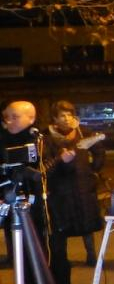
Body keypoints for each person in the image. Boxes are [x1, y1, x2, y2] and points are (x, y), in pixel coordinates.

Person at [43, 100, 105, 283]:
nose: (67, 119)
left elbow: (99, 153)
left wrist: (94, 168)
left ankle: (92, 255)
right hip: (59, 194)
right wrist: (60, 160)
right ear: (54, 118)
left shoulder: (82, 133)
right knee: (58, 239)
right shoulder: (47, 138)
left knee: (86, 225)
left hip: (82, 188)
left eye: (70, 114)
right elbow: (45, 168)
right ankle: (60, 275)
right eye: (62, 115)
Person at [0, 101, 48, 275]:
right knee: (18, 250)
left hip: (37, 207)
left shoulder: (41, 141)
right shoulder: (2, 140)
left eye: (15, 117)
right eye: (7, 117)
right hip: (9, 202)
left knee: (39, 250)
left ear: (32, 118)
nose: (9, 121)